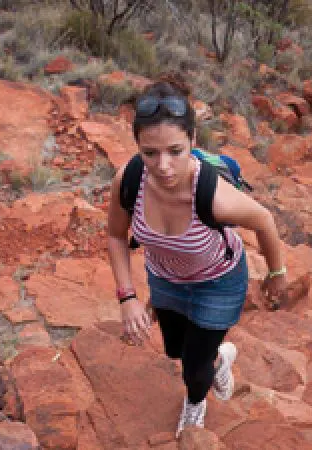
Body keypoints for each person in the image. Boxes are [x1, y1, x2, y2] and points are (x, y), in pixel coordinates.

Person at [106, 80, 287, 436]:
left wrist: (277, 272)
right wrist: (127, 297)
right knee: (174, 350)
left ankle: (195, 401)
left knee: (192, 368)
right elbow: (115, 235)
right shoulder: (128, 180)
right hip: (165, 279)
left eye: (175, 151)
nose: (163, 166)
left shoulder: (213, 194)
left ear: (193, 141)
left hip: (217, 284)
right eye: (150, 153)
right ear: (138, 148)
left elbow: (264, 220)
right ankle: (222, 357)